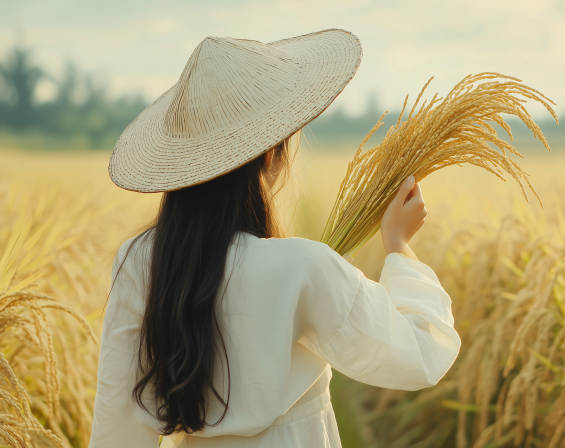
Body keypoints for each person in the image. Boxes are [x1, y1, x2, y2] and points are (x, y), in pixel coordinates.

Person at [88, 29, 460, 447]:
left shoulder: (139, 260)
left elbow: (117, 426)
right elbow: (418, 356)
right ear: (269, 155)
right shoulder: (303, 266)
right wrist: (399, 245)